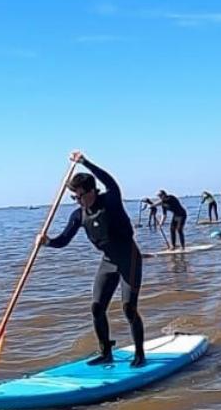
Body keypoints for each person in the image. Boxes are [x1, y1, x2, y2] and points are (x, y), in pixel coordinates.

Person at [39, 152, 146, 367]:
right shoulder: (78, 215)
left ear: (92, 191)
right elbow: (63, 241)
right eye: (74, 197)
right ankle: (106, 352)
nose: (78, 201)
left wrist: (85, 162)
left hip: (129, 257)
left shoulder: (111, 200)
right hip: (108, 261)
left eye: (80, 196)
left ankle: (140, 354)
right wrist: (47, 242)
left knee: (128, 308)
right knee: (97, 307)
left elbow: (110, 182)